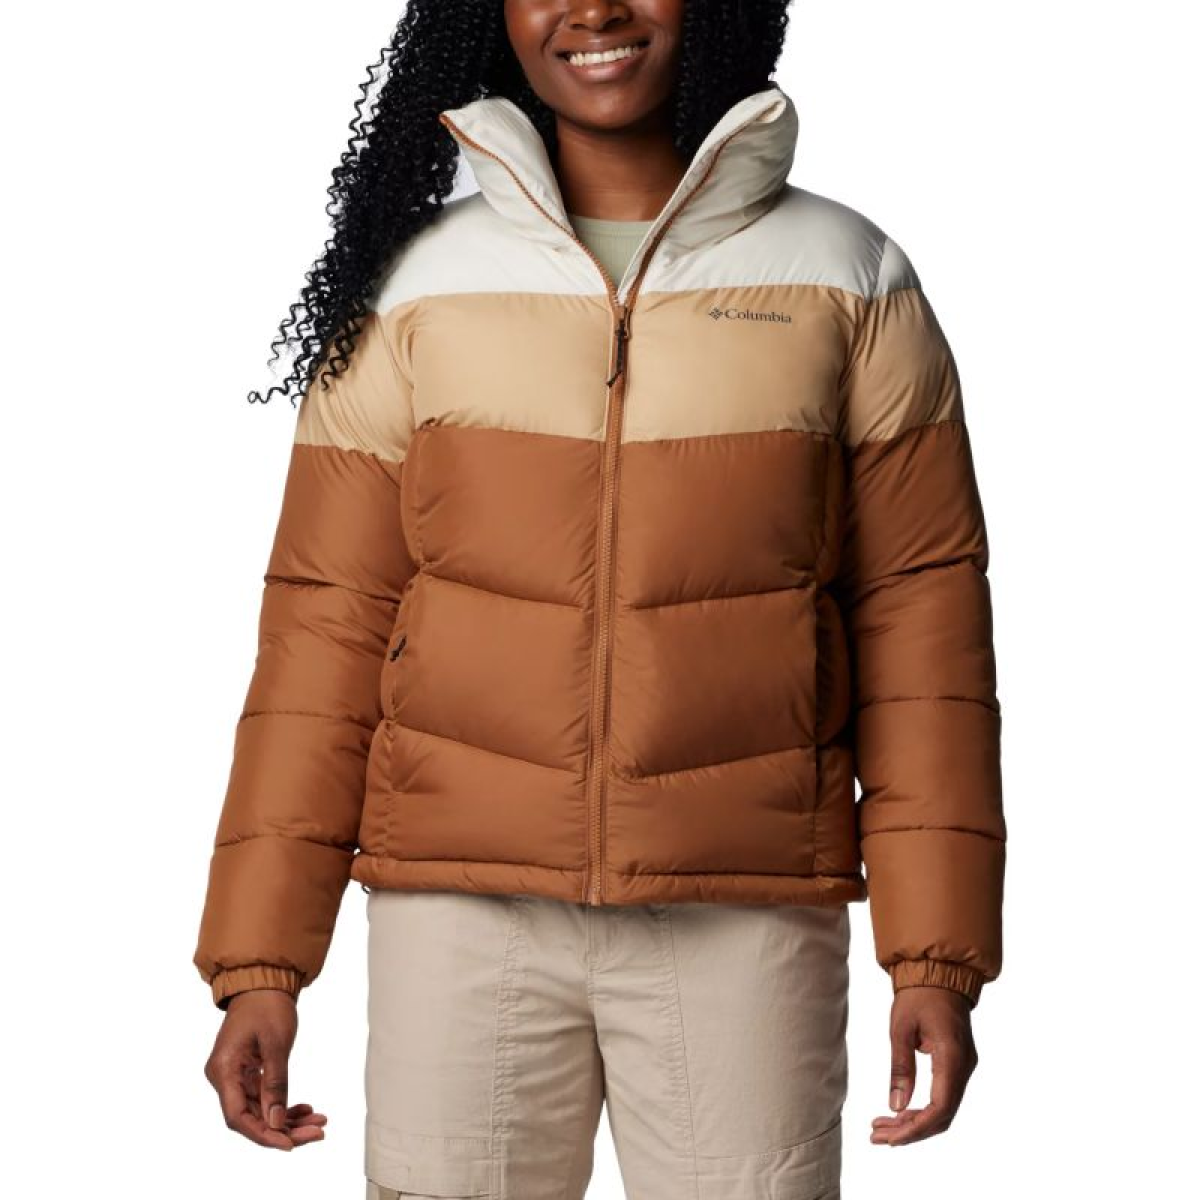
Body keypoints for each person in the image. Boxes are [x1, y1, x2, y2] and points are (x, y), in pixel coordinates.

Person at [194, 2, 1006, 1196]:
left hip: (744, 912)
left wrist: (935, 955)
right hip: (458, 919)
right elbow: (325, 626)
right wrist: (260, 961)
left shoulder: (846, 276)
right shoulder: (415, 286)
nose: (594, 10)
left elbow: (921, 628)